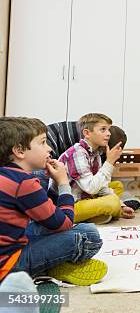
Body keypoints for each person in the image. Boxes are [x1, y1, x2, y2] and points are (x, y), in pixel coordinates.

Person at [0, 117, 106, 286]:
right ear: (19, 151)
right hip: (8, 267)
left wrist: (55, 184)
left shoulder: (8, 175)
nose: (49, 148)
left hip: (13, 242)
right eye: (42, 143)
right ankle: (55, 267)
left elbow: (48, 215)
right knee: (88, 235)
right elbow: (64, 223)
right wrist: (63, 183)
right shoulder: (24, 182)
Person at [58, 113, 135, 224]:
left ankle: (98, 214)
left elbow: (101, 187)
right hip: (68, 207)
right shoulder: (77, 153)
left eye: (108, 130)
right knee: (112, 202)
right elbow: (91, 188)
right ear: (87, 133)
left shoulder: (96, 155)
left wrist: (122, 205)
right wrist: (109, 162)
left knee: (117, 186)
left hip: (84, 197)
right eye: (103, 129)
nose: (108, 134)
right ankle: (107, 211)